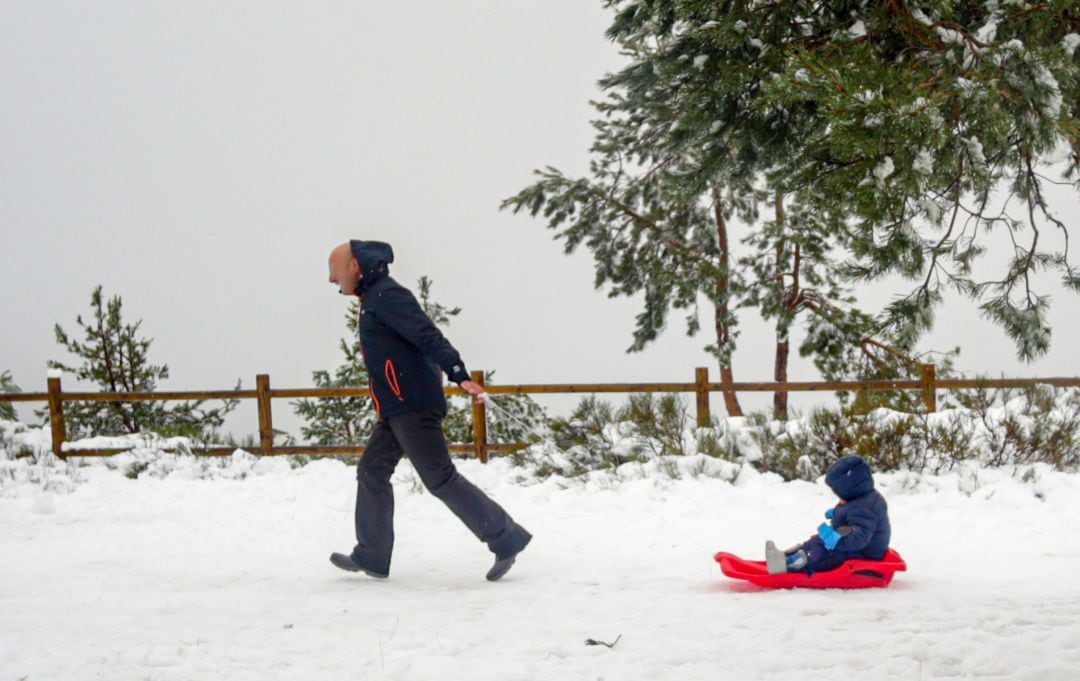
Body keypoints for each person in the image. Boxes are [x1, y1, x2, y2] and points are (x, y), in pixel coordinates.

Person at [326, 239, 532, 581]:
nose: (332, 279)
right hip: (397, 406)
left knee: (440, 478)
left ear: (355, 266)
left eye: (334, 269)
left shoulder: (387, 295)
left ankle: (505, 537)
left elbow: (427, 335)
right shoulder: (374, 298)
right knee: (372, 471)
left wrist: (457, 373)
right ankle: (373, 554)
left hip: (412, 404)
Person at [765, 455, 890, 575]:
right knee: (817, 540)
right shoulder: (859, 497)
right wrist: (837, 513)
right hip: (854, 546)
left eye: (839, 491)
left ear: (851, 488)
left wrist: (836, 541)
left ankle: (791, 566)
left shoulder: (866, 506)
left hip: (864, 554)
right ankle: (787, 556)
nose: (838, 495)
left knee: (823, 553)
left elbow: (860, 538)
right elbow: (851, 513)